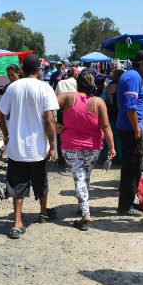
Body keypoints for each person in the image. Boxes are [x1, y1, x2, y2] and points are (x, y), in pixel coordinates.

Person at [0, 53, 60, 239]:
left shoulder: (12, 88)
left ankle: (17, 223)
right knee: (41, 181)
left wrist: (7, 135)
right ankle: (43, 213)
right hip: (38, 149)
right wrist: (52, 145)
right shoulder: (45, 88)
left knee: (17, 185)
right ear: (39, 71)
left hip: (16, 149)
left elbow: (0, 115)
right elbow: (49, 120)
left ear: (22, 70)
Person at [57, 70, 116, 230]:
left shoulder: (68, 97)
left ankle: (85, 213)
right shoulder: (99, 102)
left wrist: (53, 124)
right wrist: (111, 146)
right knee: (84, 177)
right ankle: (82, 205)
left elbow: (46, 106)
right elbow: (105, 126)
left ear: (78, 84)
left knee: (80, 177)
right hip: (93, 147)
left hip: (70, 146)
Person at [116, 50, 143, 216]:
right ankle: (126, 206)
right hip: (130, 129)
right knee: (133, 168)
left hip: (129, 127)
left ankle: (126, 204)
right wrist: (137, 129)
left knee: (131, 167)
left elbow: (134, 106)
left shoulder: (132, 76)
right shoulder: (134, 78)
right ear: (141, 63)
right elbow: (130, 107)